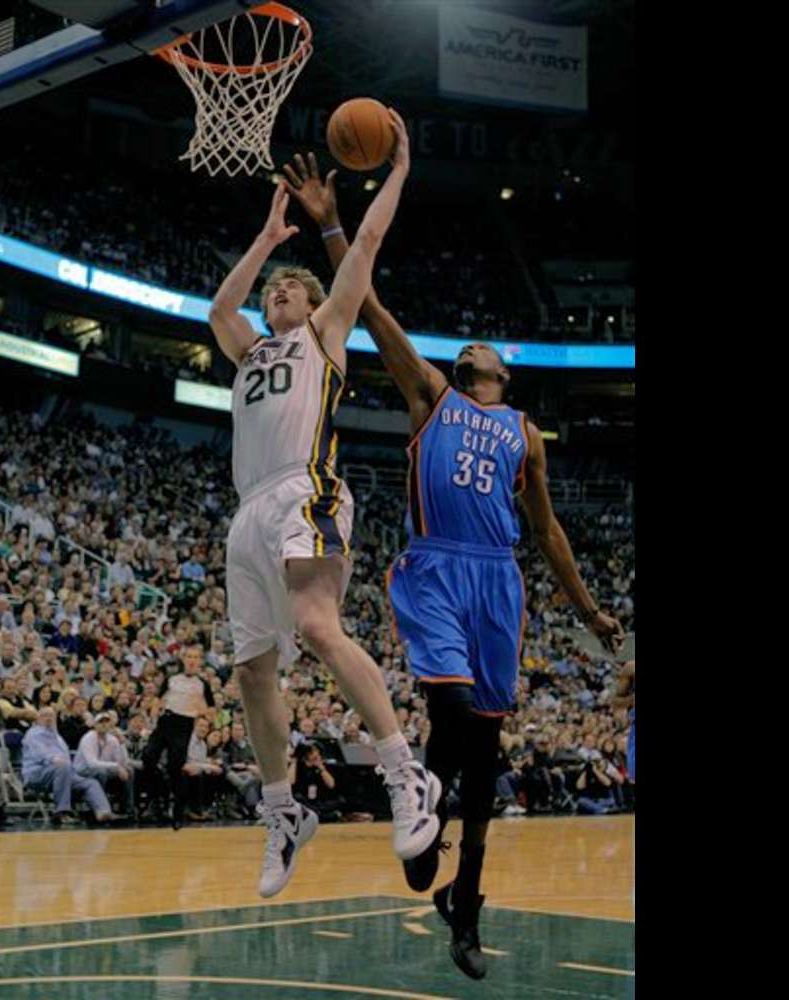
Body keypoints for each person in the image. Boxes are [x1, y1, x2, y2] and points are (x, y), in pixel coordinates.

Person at [283, 149, 626, 980]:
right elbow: (370, 310)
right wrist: (331, 222)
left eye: (485, 344)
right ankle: (430, 830)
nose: (474, 341)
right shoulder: (431, 394)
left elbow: (546, 535)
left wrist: (586, 612)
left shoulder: (526, 436)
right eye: (468, 342)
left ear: (501, 374)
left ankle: (460, 902)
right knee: (457, 715)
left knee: (482, 752)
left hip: (499, 577)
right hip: (436, 568)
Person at [207, 112, 439, 900]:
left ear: (311, 306)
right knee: (252, 670)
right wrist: (268, 242)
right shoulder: (249, 348)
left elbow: (364, 251)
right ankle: (282, 813)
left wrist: (398, 170)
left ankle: (406, 773)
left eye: (292, 288)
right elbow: (217, 311)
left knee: (315, 626)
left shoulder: (325, 335)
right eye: (275, 290)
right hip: (247, 513)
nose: (279, 294)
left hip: (307, 489)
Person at [139, 644, 214, 829]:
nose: (191, 660)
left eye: (195, 657)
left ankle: (178, 811)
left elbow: (211, 711)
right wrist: (154, 716)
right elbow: (158, 699)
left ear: (199, 662)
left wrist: (201, 709)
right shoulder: (172, 679)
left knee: (176, 769)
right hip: (166, 721)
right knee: (148, 756)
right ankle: (154, 798)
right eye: (188, 656)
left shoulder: (202, 684)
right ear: (183, 659)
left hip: (184, 725)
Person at [21, 706, 112, 825]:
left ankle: (102, 812)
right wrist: (53, 758)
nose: (49, 718)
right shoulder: (33, 734)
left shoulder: (58, 737)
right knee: (63, 767)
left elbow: (67, 756)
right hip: (38, 772)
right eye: (45, 715)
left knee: (90, 782)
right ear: (37, 719)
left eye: (51, 715)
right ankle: (61, 812)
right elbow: (39, 751)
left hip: (63, 771)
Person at [75, 712, 135, 818]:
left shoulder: (112, 740)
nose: (103, 724)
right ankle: (99, 808)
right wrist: (116, 767)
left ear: (110, 725)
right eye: (100, 722)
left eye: (106, 722)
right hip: (83, 771)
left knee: (129, 770)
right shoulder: (88, 738)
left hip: (104, 769)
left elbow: (122, 762)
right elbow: (92, 763)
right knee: (100, 772)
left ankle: (127, 810)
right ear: (95, 725)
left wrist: (122, 744)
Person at [223, 721, 263, 817]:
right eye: (235, 730)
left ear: (244, 731)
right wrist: (246, 766)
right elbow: (228, 763)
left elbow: (255, 760)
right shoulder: (228, 745)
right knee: (252, 779)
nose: (238, 732)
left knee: (255, 777)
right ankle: (252, 808)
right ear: (231, 731)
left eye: (240, 730)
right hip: (235, 773)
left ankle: (235, 805)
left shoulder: (249, 745)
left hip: (250, 772)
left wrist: (252, 766)